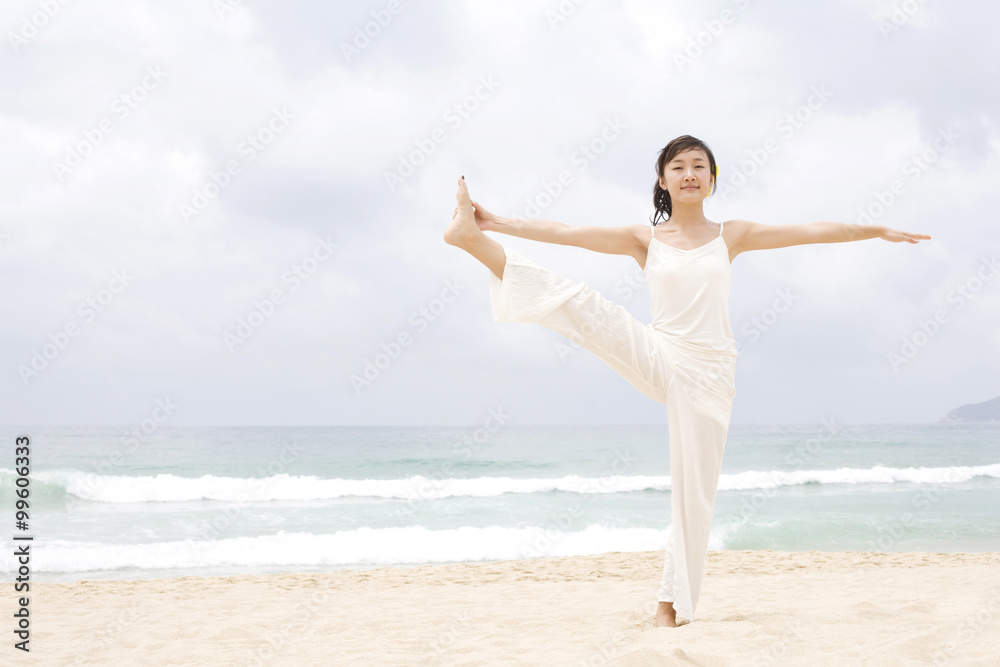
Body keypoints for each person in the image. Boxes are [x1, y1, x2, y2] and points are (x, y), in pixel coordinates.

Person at [442, 134, 931, 627]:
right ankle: (475, 242)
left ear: (712, 179)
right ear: (663, 180)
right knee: (586, 304)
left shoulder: (732, 235)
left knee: (693, 490)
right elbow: (567, 231)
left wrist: (876, 229)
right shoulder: (644, 239)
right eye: (678, 167)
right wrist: (496, 221)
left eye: (700, 165)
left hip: (710, 372)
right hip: (659, 351)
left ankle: (669, 606)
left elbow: (811, 230)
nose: (689, 173)